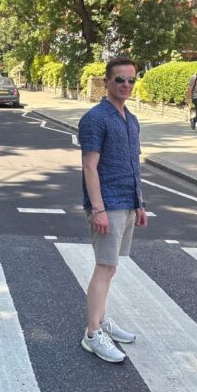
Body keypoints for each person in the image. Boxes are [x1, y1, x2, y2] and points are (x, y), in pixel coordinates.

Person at [78, 57, 148, 363]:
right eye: (120, 79)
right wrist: (98, 209)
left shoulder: (130, 119)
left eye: (131, 80)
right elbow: (89, 167)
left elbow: (134, 165)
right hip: (107, 205)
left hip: (127, 203)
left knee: (112, 266)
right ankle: (92, 334)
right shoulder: (96, 119)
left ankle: (102, 319)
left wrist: (140, 203)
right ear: (106, 82)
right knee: (104, 268)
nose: (126, 85)